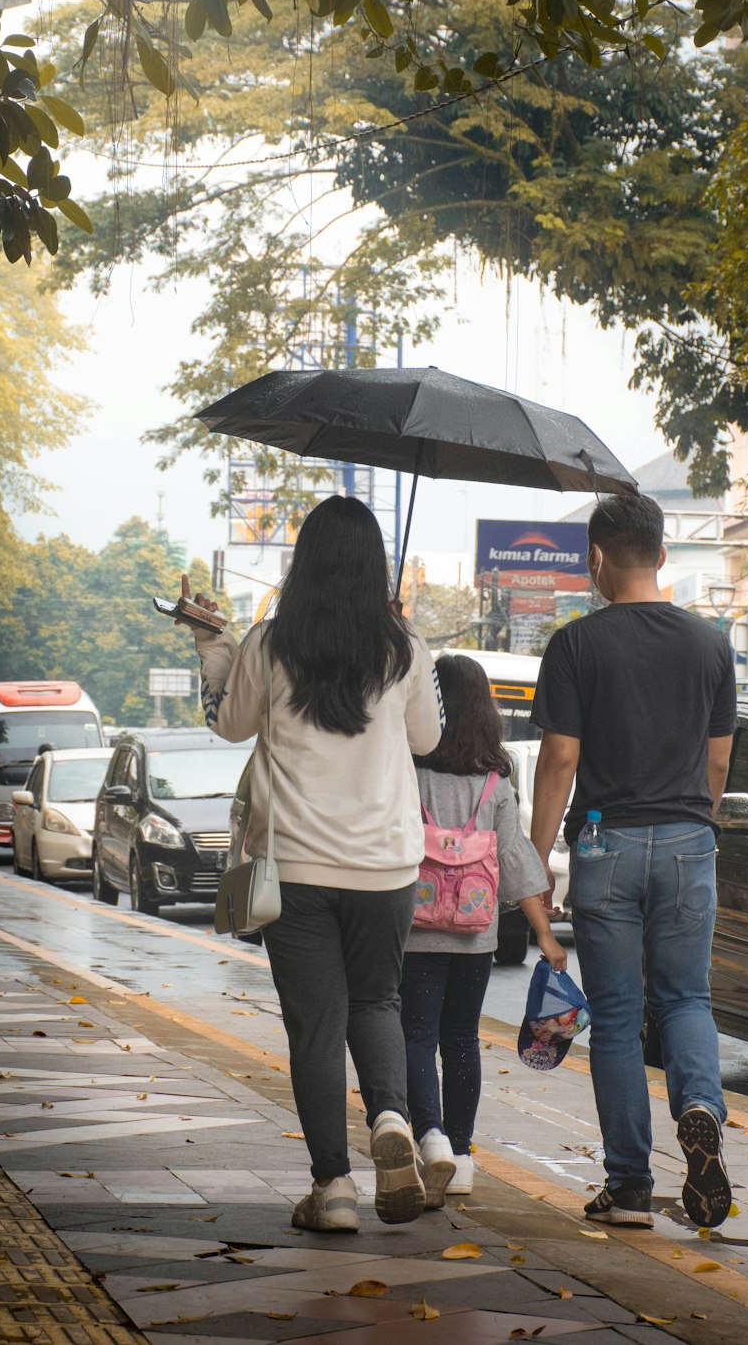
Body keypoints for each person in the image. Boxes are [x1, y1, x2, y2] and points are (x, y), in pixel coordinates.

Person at [183, 496, 444, 1234]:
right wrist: (406, 640)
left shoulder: (270, 642)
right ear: (373, 566)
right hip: (386, 868)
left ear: (306, 561)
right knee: (378, 1003)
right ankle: (390, 1115)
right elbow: (427, 741)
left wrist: (214, 646)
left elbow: (230, 725)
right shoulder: (402, 648)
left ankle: (333, 1189)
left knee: (316, 1029)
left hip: (293, 868)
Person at [529, 493, 736, 1231]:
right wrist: (693, 826)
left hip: (604, 841)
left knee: (616, 1018)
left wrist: (536, 855)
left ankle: (628, 1188)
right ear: (662, 553)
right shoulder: (712, 644)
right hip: (687, 840)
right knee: (686, 1000)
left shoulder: (577, 645)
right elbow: (718, 761)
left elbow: (559, 757)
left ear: (595, 558)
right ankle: (703, 1109)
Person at [401, 654, 567, 1208]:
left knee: (416, 1035)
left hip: (414, 931)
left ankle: (432, 1140)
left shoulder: (408, 768)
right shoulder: (497, 780)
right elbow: (516, 860)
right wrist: (544, 933)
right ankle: (465, 1156)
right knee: (462, 1039)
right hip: (476, 934)